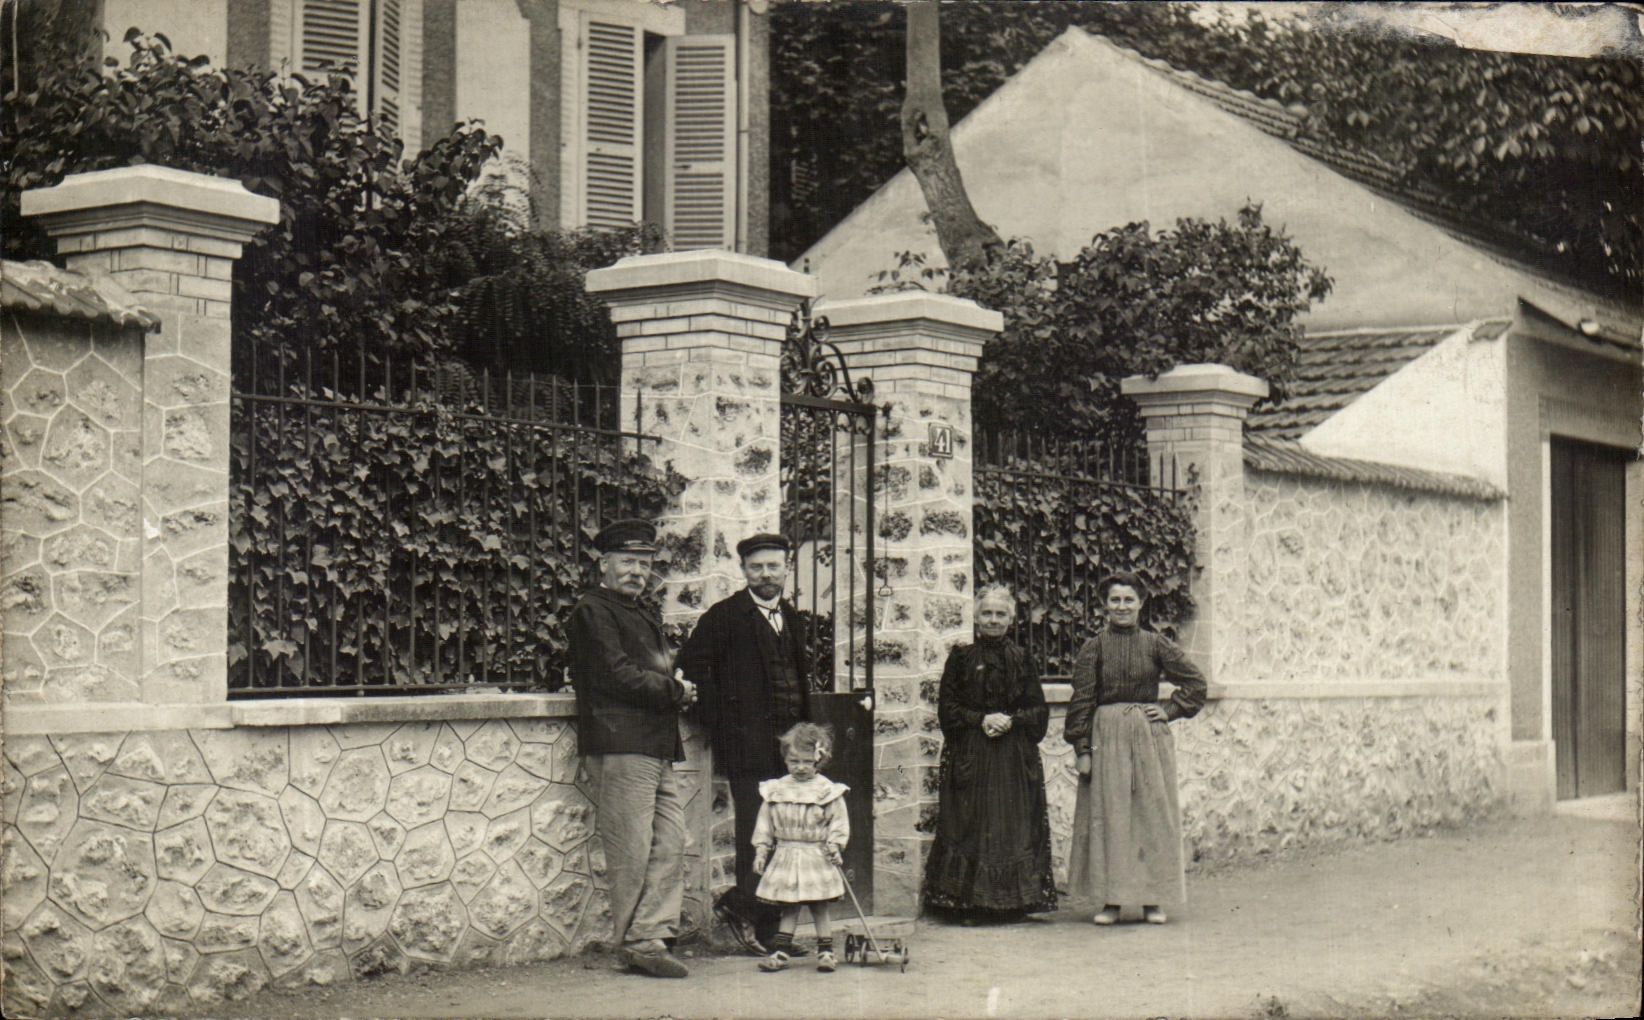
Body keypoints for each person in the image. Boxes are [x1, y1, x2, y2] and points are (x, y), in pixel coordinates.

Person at [567, 518, 698, 978]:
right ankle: (639, 941)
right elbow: (614, 674)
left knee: (671, 841)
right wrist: (675, 692)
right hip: (620, 741)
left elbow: (649, 673)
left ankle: (652, 933)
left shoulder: (640, 612)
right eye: (627, 562)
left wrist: (676, 686)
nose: (637, 572)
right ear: (603, 563)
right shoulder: (592, 610)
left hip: (654, 744)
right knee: (632, 848)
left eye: (644, 563)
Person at [677, 533, 811, 954]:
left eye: (773, 566)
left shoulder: (792, 617)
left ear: (786, 568)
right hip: (747, 750)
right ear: (744, 571)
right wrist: (727, 723)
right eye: (757, 567)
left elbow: (800, 680)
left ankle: (773, 931)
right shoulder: (724, 616)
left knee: (787, 836)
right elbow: (691, 671)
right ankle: (745, 913)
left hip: (790, 755)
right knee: (757, 837)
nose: (766, 574)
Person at [1064, 571, 1207, 926]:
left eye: (1129, 599)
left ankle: (1151, 900)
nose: (1122, 606)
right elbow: (1081, 701)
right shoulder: (1093, 647)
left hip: (1147, 737)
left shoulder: (1156, 644)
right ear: (1105, 605)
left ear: (1141, 603)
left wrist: (1169, 710)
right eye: (1115, 600)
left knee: (1150, 814)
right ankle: (1111, 902)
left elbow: (1195, 683)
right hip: (1106, 737)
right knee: (1110, 816)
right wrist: (1083, 749)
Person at [921, 584, 1058, 923]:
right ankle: (970, 903)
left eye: (1000, 614)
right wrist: (980, 719)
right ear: (976, 617)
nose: (993, 620)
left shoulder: (1022, 659)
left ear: (1011, 619)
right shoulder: (961, 657)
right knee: (972, 824)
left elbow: (1037, 710)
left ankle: (1012, 903)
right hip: (972, 753)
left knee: (1010, 827)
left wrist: (1011, 720)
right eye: (987, 613)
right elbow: (947, 709)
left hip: (1012, 757)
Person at [750, 722, 850, 973]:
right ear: (785, 759)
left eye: (807, 761)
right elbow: (766, 823)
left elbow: (838, 821)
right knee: (789, 904)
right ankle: (781, 951)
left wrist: (835, 845)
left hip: (816, 854)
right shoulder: (777, 789)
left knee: (819, 904)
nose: (801, 767)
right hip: (787, 853)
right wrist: (762, 850)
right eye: (794, 761)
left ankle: (826, 952)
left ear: (819, 759)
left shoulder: (826, 791)